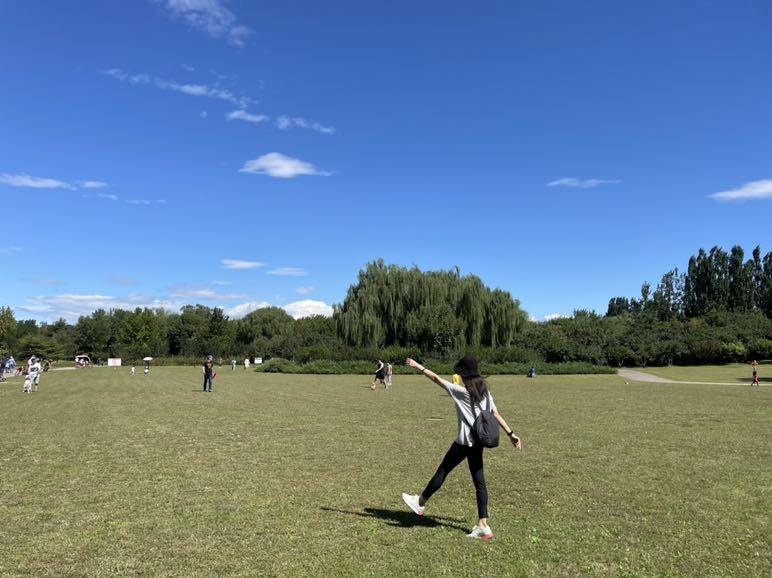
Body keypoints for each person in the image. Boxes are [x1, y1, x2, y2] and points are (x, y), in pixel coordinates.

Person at [401, 355, 521, 540]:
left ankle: (420, 502)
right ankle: (483, 525)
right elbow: (495, 413)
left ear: (464, 375)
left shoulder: (462, 393)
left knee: (443, 470)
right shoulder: (486, 393)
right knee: (479, 481)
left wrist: (418, 366)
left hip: (464, 443)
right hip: (478, 443)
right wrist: (511, 434)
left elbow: (436, 378)